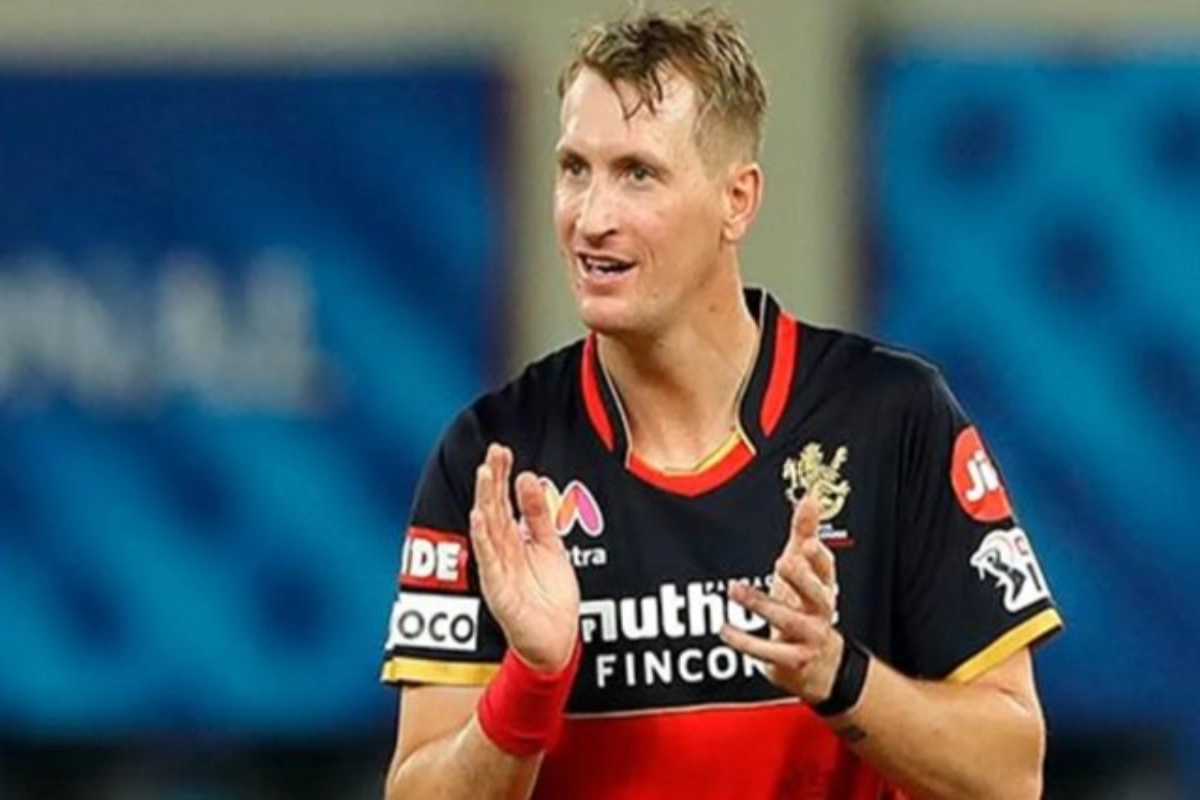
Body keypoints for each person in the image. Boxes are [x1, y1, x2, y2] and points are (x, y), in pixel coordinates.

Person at [380, 8, 1063, 799]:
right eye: (574, 169)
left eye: (638, 173)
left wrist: (838, 675)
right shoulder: (492, 462)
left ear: (737, 200)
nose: (591, 218)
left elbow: (1012, 775)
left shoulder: (893, 419)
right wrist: (531, 680)